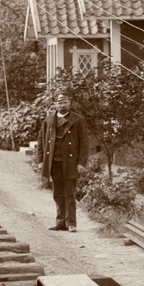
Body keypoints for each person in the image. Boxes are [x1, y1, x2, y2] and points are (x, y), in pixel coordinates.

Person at [36, 92, 89, 231]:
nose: (62, 105)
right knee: (57, 193)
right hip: (54, 162)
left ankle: (71, 223)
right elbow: (41, 140)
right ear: (55, 104)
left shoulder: (78, 120)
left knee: (69, 193)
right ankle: (60, 222)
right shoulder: (49, 120)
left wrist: (81, 162)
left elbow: (84, 143)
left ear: (70, 103)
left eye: (65, 102)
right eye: (59, 102)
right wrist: (41, 160)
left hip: (70, 162)